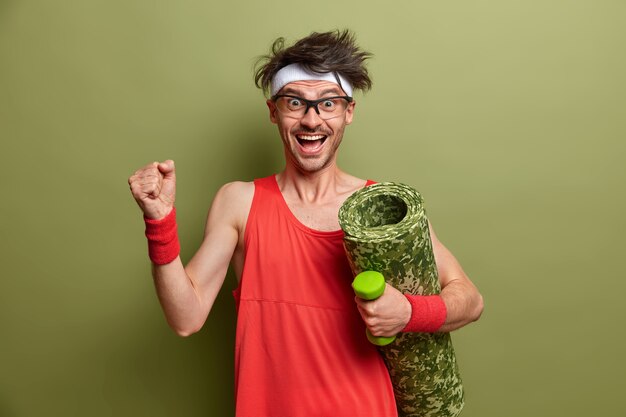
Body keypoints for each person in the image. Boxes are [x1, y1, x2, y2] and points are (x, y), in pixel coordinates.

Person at [128, 30, 483, 417]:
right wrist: (159, 222)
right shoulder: (239, 202)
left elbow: (470, 300)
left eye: (327, 103)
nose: (311, 119)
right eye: (295, 102)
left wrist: (409, 313)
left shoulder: (382, 208)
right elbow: (186, 318)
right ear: (273, 111)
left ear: (348, 112)